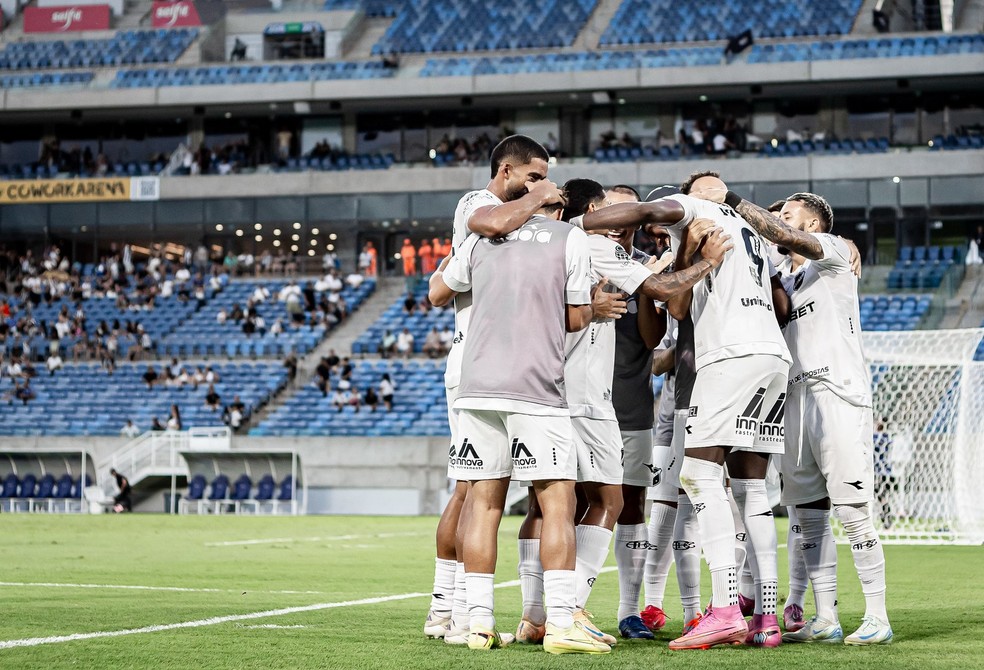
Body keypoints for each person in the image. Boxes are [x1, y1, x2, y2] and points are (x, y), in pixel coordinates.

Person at [430, 195, 609, 654]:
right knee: (557, 501)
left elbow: (437, 292)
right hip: (534, 387)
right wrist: (591, 304)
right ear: (557, 207)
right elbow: (574, 319)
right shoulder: (570, 237)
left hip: (475, 387)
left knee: (483, 504)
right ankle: (563, 622)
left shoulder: (479, 239)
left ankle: (480, 624)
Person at [727, 189, 893, 645]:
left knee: (853, 511)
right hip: (793, 399)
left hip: (837, 393)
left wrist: (734, 199)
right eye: (778, 213)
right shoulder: (780, 277)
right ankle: (826, 617)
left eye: (789, 214)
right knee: (809, 516)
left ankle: (877, 615)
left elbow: (776, 233)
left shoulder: (835, 255)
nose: (780, 219)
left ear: (815, 225)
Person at [422, 134, 569, 646]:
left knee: (475, 492)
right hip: (478, 362)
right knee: (475, 492)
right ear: (505, 171)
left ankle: (452, 613)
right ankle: (454, 613)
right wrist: (540, 201)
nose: (542, 186)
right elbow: (439, 288)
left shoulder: (514, 220)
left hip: (491, 363)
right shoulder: (481, 204)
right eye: (532, 176)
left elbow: (440, 288)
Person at [657, 171, 792, 650]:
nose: (709, 198)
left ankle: (723, 608)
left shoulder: (712, 227)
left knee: (698, 482)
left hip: (722, 365)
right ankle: (767, 616)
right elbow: (780, 304)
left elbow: (673, 307)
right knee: (750, 490)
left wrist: (689, 254)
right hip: (766, 359)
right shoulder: (751, 233)